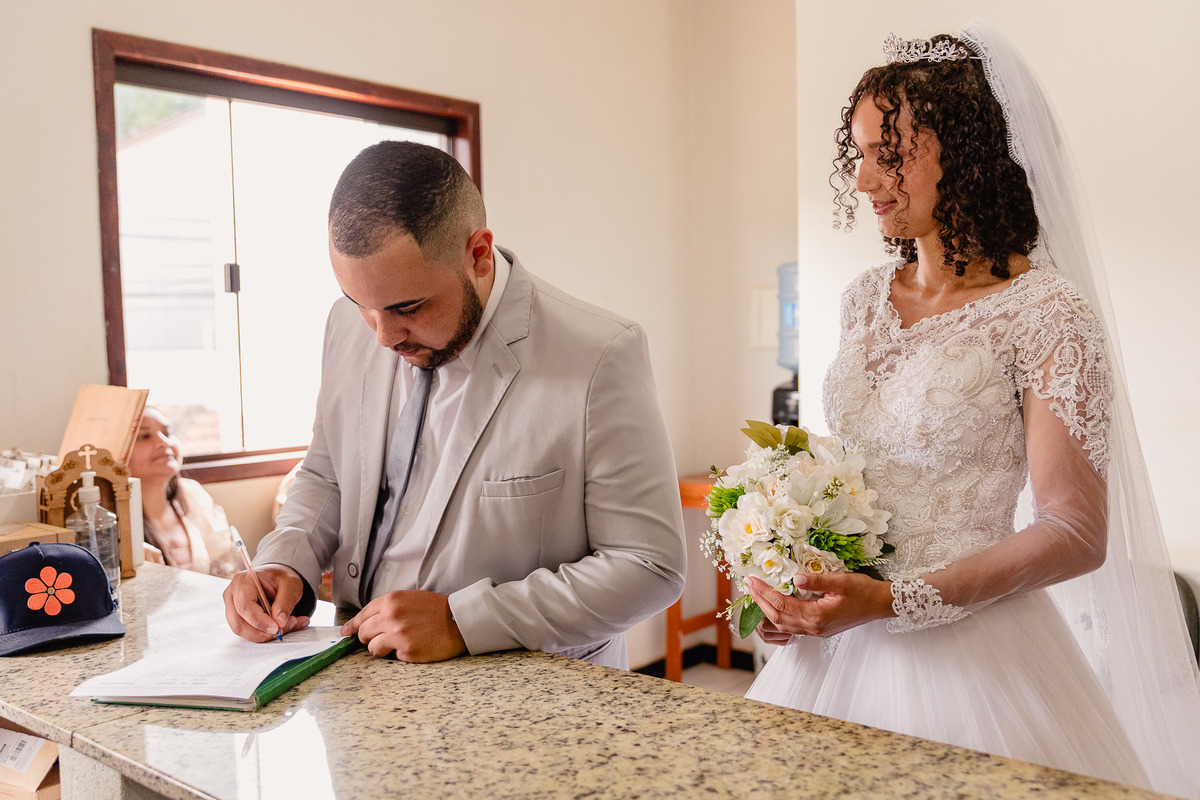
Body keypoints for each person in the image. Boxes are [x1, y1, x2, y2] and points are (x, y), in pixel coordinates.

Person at [743, 20, 1200, 797]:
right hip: (831, 658)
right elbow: (860, 469)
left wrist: (894, 601)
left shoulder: (1047, 315)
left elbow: (1076, 533)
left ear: (967, 154)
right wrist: (798, 567)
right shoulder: (862, 301)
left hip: (974, 659)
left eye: (890, 155)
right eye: (860, 156)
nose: (863, 180)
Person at [222, 141, 686, 669]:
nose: (382, 337)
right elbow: (328, 473)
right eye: (362, 306)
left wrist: (464, 621)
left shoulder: (600, 354)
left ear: (479, 253)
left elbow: (649, 566)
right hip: (358, 679)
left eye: (408, 308)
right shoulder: (345, 326)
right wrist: (287, 562)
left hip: (530, 701)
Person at [128, 407, 240, 578]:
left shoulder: (192, 495)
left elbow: (228, 570)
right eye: (144, 436)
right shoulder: (106, 520)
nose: (164, 442)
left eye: (167, 432)